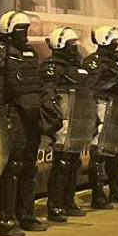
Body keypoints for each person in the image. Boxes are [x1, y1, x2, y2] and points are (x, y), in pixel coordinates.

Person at [0, 10, 51, 236]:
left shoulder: (30, 52)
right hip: (13, 115)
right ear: (9, 30)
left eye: (27, 29)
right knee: (12, 168)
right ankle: (8, 220)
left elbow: (37, 85)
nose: (25, 34)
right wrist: (3, 116)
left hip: (31, 116)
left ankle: (27, 215)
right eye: (21, 29)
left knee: (29, 167)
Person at [41, 27, 94, 222]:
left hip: (78, 119)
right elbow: (48, 95)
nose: (75, 48)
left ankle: (68, 201)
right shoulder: (52, 67)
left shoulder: (78, 66)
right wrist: (53, 120)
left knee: (74, 161)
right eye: (71, 44)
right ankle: (55, 205)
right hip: (63, 120)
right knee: (62, 162)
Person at [83, 25, 118, 209]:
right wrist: (113, 78)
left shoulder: (117, 60)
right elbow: (92, 86)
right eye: (114, 41)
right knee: (99, 152)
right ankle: (98, 195)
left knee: (114, 151)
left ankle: (116, 190)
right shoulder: (93, 61)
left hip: (117, 108)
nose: (117, 45)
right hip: (102, 107)